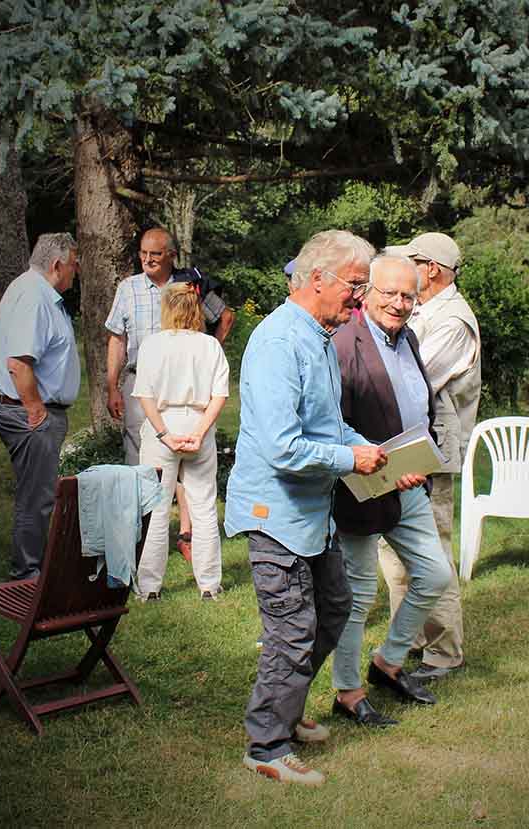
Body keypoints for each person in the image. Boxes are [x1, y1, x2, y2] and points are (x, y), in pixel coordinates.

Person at [224, 230, 387, 787]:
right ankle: (266, 745)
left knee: (334, 610)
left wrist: (380, 455)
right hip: (277, 515)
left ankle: (283, 712)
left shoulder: (318, 336)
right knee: (292, 631)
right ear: (318, 278)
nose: (360, 299)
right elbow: (283, 447)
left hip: (312, 514)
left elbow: (329, 427)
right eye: (356, 286)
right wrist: (350, 460)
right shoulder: (278, 343)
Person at [331, 255, 451, 728]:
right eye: (390, 294)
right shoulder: (344, 343)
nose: (399, 304)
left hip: (409, 482)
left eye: (409, 296)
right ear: (368, 292)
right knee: (359, 596)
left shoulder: (410, 337)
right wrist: (380, 462)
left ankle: (388, 662)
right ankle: (348, 692)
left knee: (435, 574)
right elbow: (332, 422)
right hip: (360, 485)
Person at [380, 232, 481, 683]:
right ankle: (407, 642)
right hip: (407, 444)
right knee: (393, 548)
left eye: (412, 264)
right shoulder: (427, 311)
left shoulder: (453, 321)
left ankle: (444, 651)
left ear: (432, 269)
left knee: (430, 551)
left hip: (431, 451)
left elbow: (415, 379)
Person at [105, 228, 235, 561]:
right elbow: (117, 340)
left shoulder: (188, 284)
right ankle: (139, 544)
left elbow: (225, 316)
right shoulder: (129, 288)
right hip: (142, 387)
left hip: (187, 389)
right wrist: (112, 385)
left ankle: (187, 536)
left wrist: (210, 351)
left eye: (155, 254)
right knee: (144, 472)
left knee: (189, 473)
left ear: (171, 255)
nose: (147, 259)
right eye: (143, 253)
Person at [0, 232, 80, 580]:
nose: (76, 270)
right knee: (37, 496)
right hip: (26, 410)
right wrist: (36, 411)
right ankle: (27, 573)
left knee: (37, 493)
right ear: (57, 265)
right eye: (74, 264)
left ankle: (34, 563)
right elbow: (19, 363)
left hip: (24, 407)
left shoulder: (32, 289)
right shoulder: (35, 298)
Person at [131, 280, 229, 601]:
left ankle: (149, 586)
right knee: (203, 507)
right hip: (199, 423)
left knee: (155, 509)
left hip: (164, 426)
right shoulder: (210, 345)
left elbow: (144, 394)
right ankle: (210, 584)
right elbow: (219, 395)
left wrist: (163, 434)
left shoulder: (153, 345)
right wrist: (200, 432)